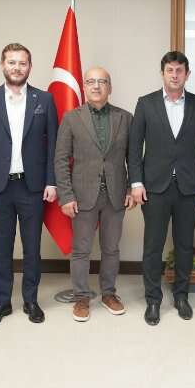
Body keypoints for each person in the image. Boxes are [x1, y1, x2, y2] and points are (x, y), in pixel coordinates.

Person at [0, 43, 58, 327]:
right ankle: (2, 302)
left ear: (29, 67)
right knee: (1, 249)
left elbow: (53, 145)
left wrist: (52, 181)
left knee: (32, 248)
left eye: (22, 63)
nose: (17, 68)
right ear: (2, 65)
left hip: (32, 187)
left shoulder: (45, 99)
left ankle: (31, 300)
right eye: (11, 62)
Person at [128, 51, 195, 326]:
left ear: (187, 74)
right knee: (153, 245)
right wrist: (136, 183)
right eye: (170, 70)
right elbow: (134, 147)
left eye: (179, 70)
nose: (174, 75)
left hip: (189, 187)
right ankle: (153, 299)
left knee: (185, 245)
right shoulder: (146, 103)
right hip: (154, 187)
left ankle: (181, 296)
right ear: (162, 73)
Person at [54, 67, 135, 322]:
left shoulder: (125, 118)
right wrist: (66, 196)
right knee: (81, 250)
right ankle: (81, 297)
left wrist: (131, 188)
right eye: (91, 82)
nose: (96, 86)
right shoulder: (71, 118)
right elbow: (60, 159)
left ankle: (109, 294)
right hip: (82, 196)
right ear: (84, 87)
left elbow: (133, 158)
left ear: (110, 87)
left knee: (111, 249)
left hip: (115, 195)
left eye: (102, 82)